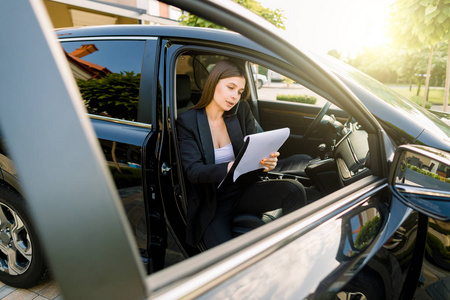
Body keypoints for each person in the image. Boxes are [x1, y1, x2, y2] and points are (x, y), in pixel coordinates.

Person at [176, 60, 307, 249]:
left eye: (239, 92)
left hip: (243, 189)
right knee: (226, 261)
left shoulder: (240, 112)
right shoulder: (187, 122)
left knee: (294, 190)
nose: (234, 96)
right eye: (230, 87)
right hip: (214, 203)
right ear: (214, 83)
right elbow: (193, 172)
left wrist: (266, 162)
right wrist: (230, 167)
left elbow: (256, 148)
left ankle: (292, 248)